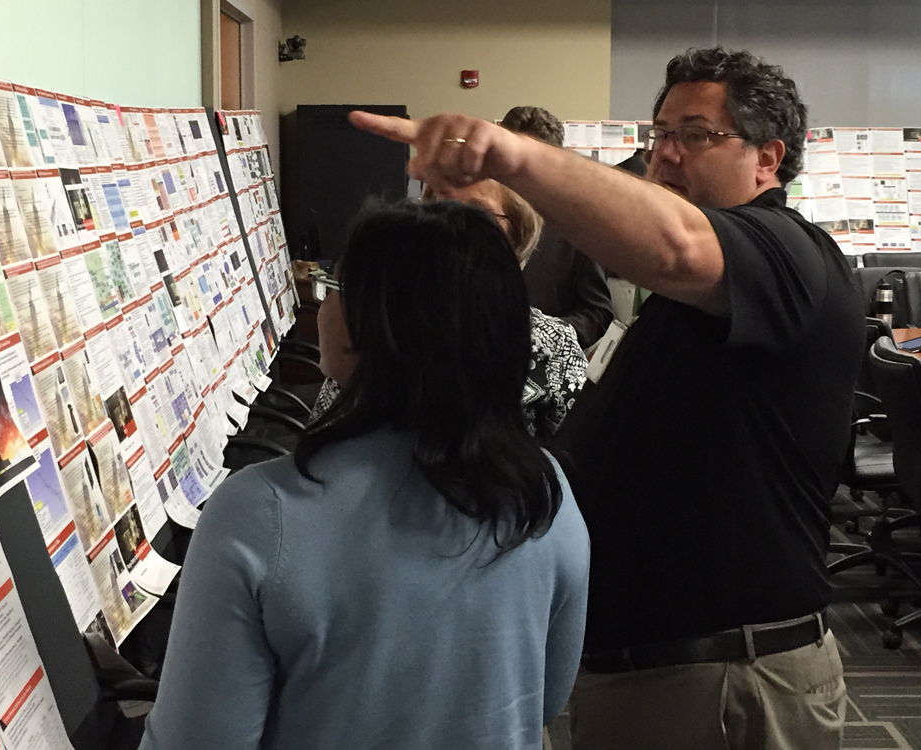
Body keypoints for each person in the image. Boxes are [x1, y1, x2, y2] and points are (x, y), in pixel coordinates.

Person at [351, 46, 863, 750]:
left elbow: (675, 245)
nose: (666, 155)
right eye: (659, 135)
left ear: (767, 159)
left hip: (725, 680)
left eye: (695, 135)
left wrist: (510, 157)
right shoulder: (694, 305)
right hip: (662, 673)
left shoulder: (790, 256)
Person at [141, 199, 590, 750]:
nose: (323, 305)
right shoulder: (545, 492)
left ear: (366, 324)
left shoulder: (260, 511)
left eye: (333, 287)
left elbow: (198, 739)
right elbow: (546, 698)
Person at [314, 181, 588, 439]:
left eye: (476, 214)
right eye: (438, 210)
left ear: (519, 234)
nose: (448, 230)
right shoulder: (384, 326)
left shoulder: (554, 345)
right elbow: (322, 434)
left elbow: (572, 458)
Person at [500, 106, 614, 350]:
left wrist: (541, 336)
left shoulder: (578, 227)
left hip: (542, 373)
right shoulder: (475, 217)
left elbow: (596, 314)